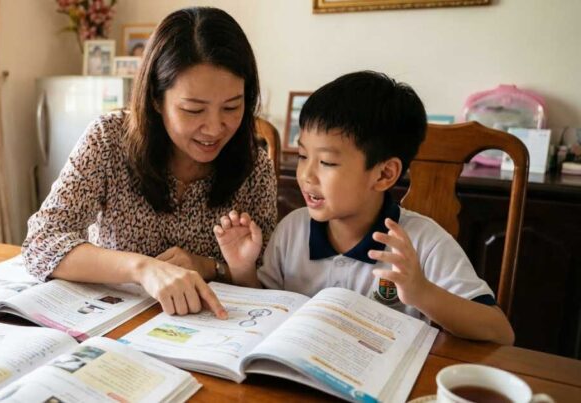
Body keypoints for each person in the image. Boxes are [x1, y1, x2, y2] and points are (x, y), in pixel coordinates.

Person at [213, 71, 515, 344]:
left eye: (327, 162)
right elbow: (264, 312)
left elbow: (500, 332)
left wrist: (422, 291)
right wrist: (242, 269)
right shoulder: (292, 229)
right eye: (304, 156)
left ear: (384, 174)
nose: (306, 175)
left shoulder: (423, 243)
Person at [23, 7, 277, 320]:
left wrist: (211, 266)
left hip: (211, 337)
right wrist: (142, 268)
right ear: (156, 99)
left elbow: (265, 282)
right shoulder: (109, 139)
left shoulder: (255, 168)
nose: (214, 128)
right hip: (113, 325)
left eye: (231, 107)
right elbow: (41, 242)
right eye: (193, 110)